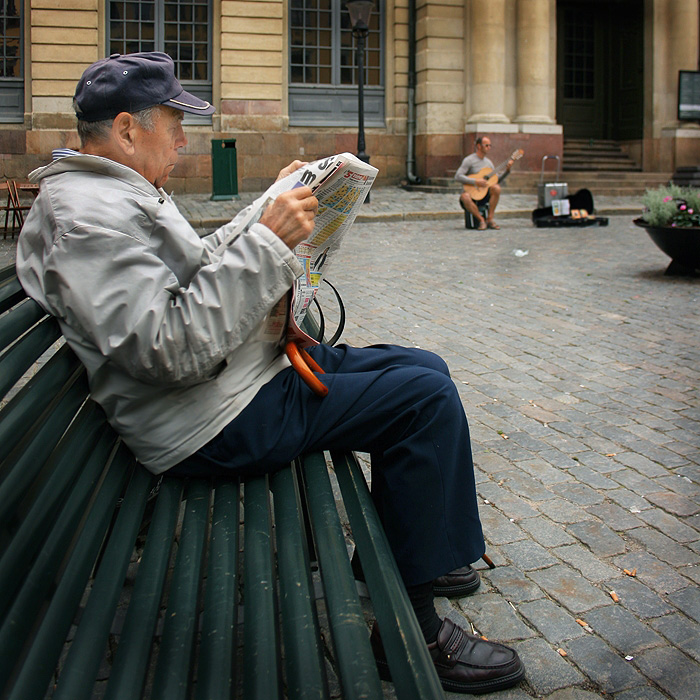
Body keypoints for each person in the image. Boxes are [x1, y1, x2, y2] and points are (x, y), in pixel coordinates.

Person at [16, 52, 524, 694]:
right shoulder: (89, 218)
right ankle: (411, 631)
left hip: (228, 383)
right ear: (126, 129)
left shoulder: (111, 192)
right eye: (173, 124)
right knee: (422, 398)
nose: (182, 139)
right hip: (212, 419)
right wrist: (269, 241)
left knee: (422, 367)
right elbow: (169, 347)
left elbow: (198, 266)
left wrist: (267, 207)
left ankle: (412, 550)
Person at [455, 136, 513, 230]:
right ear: (478, 146)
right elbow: (458, 176)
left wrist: (507, 171)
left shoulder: (488, 163)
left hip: (484, 194)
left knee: (496, 188)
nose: (489, 147)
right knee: (464, 197)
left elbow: (495, 180)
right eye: (486, 145)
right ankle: (481, 220)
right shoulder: (469, 160)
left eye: (490, 145)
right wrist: (475, 181)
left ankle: (490, 219)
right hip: (471, 195)